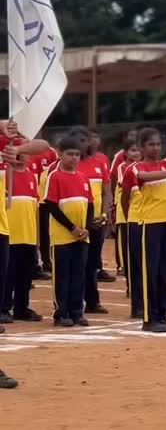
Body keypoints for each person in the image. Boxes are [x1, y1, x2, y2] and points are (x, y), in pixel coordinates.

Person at [121, 128, 166, 333]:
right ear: (141, 147)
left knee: (164, 271)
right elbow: (145, 177)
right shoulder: (135, 167)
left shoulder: (165, 163)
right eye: (151, 144)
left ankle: (162, 314)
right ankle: (149, 318)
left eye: (158, 144)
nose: (155, 148)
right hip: (149, 223)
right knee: (150, 270)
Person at [44, 135, 93, 328]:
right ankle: (61, 313)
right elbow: (52, 206)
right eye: (70, 154)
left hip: (81, 236)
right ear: (60, 154)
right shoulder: (55, 176)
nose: (74, 158)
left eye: (77, 154)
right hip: (62, 236)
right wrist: (72, 227)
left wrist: (86, 228)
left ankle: (77, 312)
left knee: (79, 275)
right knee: (62, 276)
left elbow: (90, 205)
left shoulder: (83, 178)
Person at [70, 127, 111, 317]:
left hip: (96, 222)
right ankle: (72, 305)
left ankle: (93, 302)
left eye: (85, 140)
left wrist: (104, 213)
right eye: (79, 140)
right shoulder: (68, 165)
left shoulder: (99, 163)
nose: (84, 144)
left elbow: (106, 191)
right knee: (76, 264)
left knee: (92, 264)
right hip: (75, 224)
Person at [1, 152, 42, 322]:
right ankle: (4, 308)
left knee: (25, 275)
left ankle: (21, 308)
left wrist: (37, 237)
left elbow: (35, 206)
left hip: (29, 234)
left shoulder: (32, 176)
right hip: (10, 233)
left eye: (24, 153)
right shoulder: (4, 175)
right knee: (7, 274)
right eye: (17, 153)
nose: (21, 156)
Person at [88, 129, 116, 282]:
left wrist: (105, 213)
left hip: (99, 214)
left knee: (98, 244)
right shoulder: (74, 162)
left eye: (96, 137)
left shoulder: (102, 159)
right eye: (91, 137)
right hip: (81, 216)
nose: (94, 141)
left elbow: (107, 189)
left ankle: (97, 269)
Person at [115, 144, 141, 306]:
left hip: (143, 216)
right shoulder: (124, 168)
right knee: (126, 247)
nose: (136, 153)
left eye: (138, 150)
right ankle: (125, 272)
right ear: (125, 153)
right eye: (132, 150)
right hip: (127, 212)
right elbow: (123, 192)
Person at [120, 152, 144, 320]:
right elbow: (124, 198)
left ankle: (161, 302)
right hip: (136, 221)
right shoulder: (130, 171)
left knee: (157, 266)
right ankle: (138, 306)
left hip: (155, 221)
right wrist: (131, 217)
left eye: (158, 144)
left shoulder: (161, 168)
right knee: (136, 265)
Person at [31, 143, 58, 279]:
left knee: (46, 233)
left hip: (44, 199)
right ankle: (34, 264)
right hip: (31, 200)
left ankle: (47, 262)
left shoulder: (49, 151)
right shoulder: (17, 149)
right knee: (33, 234)